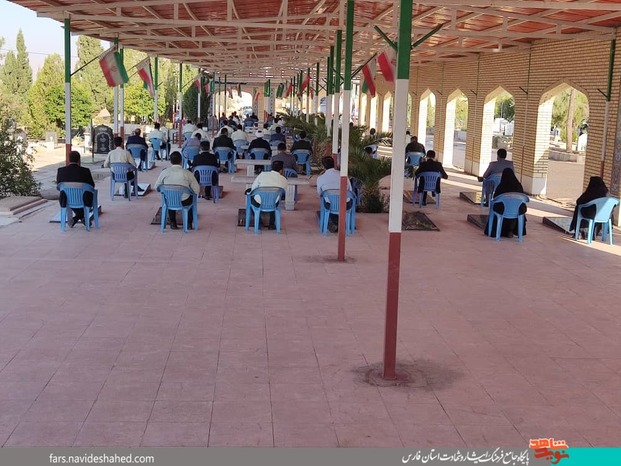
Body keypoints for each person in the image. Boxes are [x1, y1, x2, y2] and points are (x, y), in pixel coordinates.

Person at [154, 151, 199, 230]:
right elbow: (196, 190)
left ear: (170, 161)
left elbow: (156, 187)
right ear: (181, 160)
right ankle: (189, 223)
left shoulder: (164, 172)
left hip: (169, 201)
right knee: (191, 198)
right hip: (184, 201)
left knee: (170, 197)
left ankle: (173, 223)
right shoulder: (187, 173)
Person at [56, 150, 95, 228]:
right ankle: (79, 217)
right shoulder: (85, 171)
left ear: (69, 159)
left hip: (66, 199)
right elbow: (92, 186)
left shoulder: (61, 171)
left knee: (68, 196)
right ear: (79, 160)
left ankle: (77, 217)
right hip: (84, 199)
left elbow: (59, 187)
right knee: (88, 196)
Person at [485, 167, 527, 238]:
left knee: (497, 208)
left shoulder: (501, 186)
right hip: (517, 211)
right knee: (520, 208)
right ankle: (512, 230)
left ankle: (498, 231)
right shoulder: (518, 185)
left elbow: (495, 198)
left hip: (503, 210)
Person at [246, 160, 288, 229]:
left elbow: (253, 187)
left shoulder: (262, 174)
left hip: (259, 203)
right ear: (281, 170)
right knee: (275, 199)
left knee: (250, 197)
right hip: (273, 203)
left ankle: (259, 222)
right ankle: (272, 224)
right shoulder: (283, 179)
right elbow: (284, 191)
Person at [316, 156, 352, 233]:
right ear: (334, 164)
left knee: (323, 205)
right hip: (345, 205)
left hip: (329, 205)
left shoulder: (321, 178)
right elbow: (350, 190)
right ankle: (345, 223)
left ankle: (331, 223)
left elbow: (319, 193)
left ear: (323, 166)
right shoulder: (343, 176)